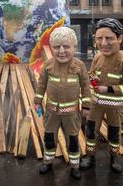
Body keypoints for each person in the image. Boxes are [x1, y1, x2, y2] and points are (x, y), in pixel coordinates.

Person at [34, 27, 92, 180]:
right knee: (49, 138)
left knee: (72, 140)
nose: (61, 51)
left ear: (74, 47)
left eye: (66, 46)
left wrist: (86, 106)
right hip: (51, 113)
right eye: (56, 47)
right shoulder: (47, 65)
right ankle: (48, 161)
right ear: (52, 48)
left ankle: (74, 166)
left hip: (71, 115)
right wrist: (37, 102)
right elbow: (41, 85)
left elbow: (86, 87)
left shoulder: (79, 66)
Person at [80, 18, 123, 174]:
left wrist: (108, 89)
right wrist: (91, 78)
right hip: (95, 104)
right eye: (99, 38)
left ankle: (114, 158)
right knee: (90, 131)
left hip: (115, 107)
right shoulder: (97, 57)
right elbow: (92, 73)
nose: (103, 43)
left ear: (119, 38)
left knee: (114, 133)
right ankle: (90, 157)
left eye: (109, 38)